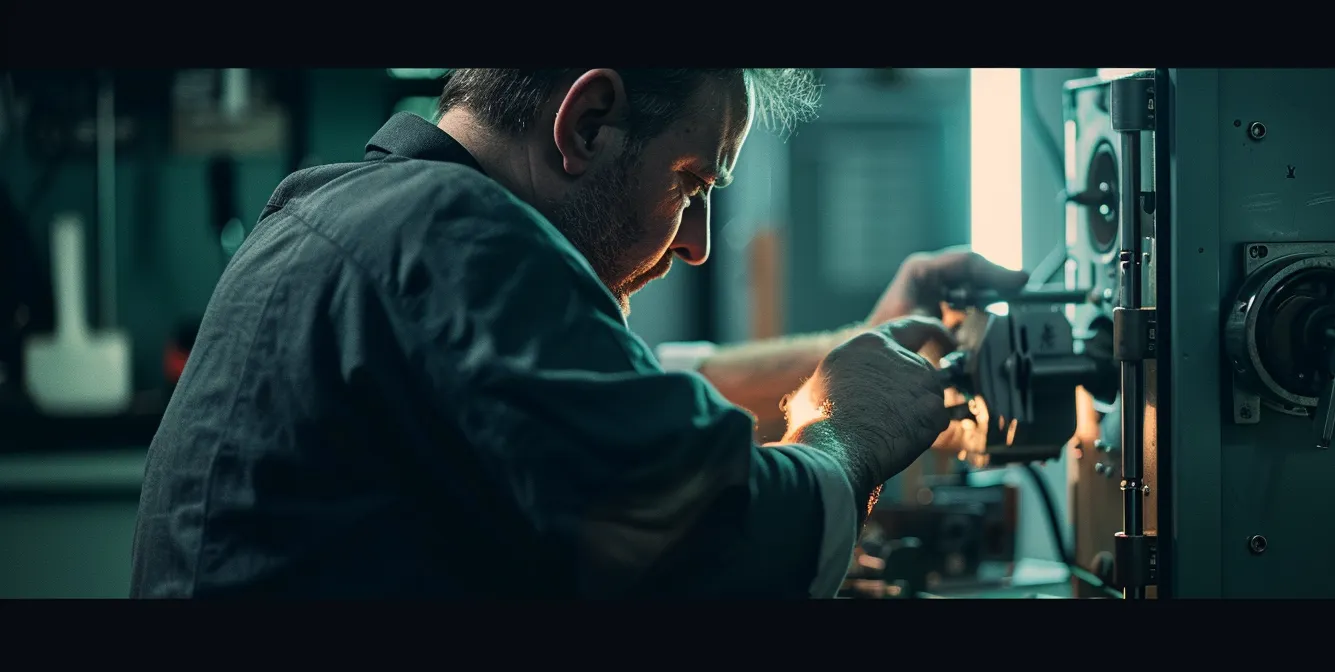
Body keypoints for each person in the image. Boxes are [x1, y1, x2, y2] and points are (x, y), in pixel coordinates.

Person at [129, 68, 1028, 598]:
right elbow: (720, 536)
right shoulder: (453, 232)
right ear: (587, 123)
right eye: (692, 185)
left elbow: (622, 395)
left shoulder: (348, 210)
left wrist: (861, 346)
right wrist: (849, 438)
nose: (699, 243)